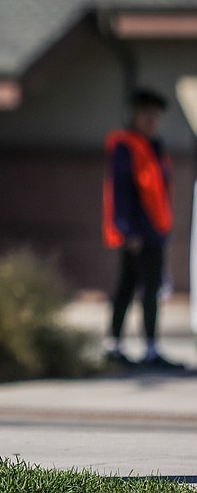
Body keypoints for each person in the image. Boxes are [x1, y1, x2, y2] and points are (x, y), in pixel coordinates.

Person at [101, 87, 183, 370]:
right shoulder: (126, 146)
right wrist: (127, 230)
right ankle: (115, 346)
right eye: (145, 114)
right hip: (136, 233)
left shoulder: (155, 146)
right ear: (134, 116)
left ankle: (150, 348)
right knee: (129, 287)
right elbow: (121, 191)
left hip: (154, 231)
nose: (151, 119)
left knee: (151, 288)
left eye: (155, 114)